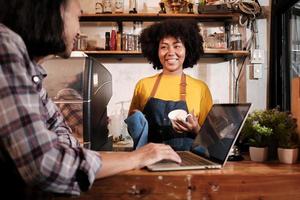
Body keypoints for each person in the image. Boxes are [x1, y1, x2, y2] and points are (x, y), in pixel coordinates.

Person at [0, 0, 181, 199]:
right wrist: (137, 156)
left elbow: (61, 135)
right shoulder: (5, 45)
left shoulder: (31, 71)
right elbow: (45, 163)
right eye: (78, 17)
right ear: (52, 11)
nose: (79, 29)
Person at [126, 19, 213, 151]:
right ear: (156, 50)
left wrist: (195, 129)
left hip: (188, 164)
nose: (170, 52)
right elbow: (133, 128)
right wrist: (135, 119)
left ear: (187, 49)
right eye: (164, 47)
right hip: (150, 161)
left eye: (177, 46)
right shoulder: (143, 85)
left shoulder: (200, 88)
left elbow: (210, 139)